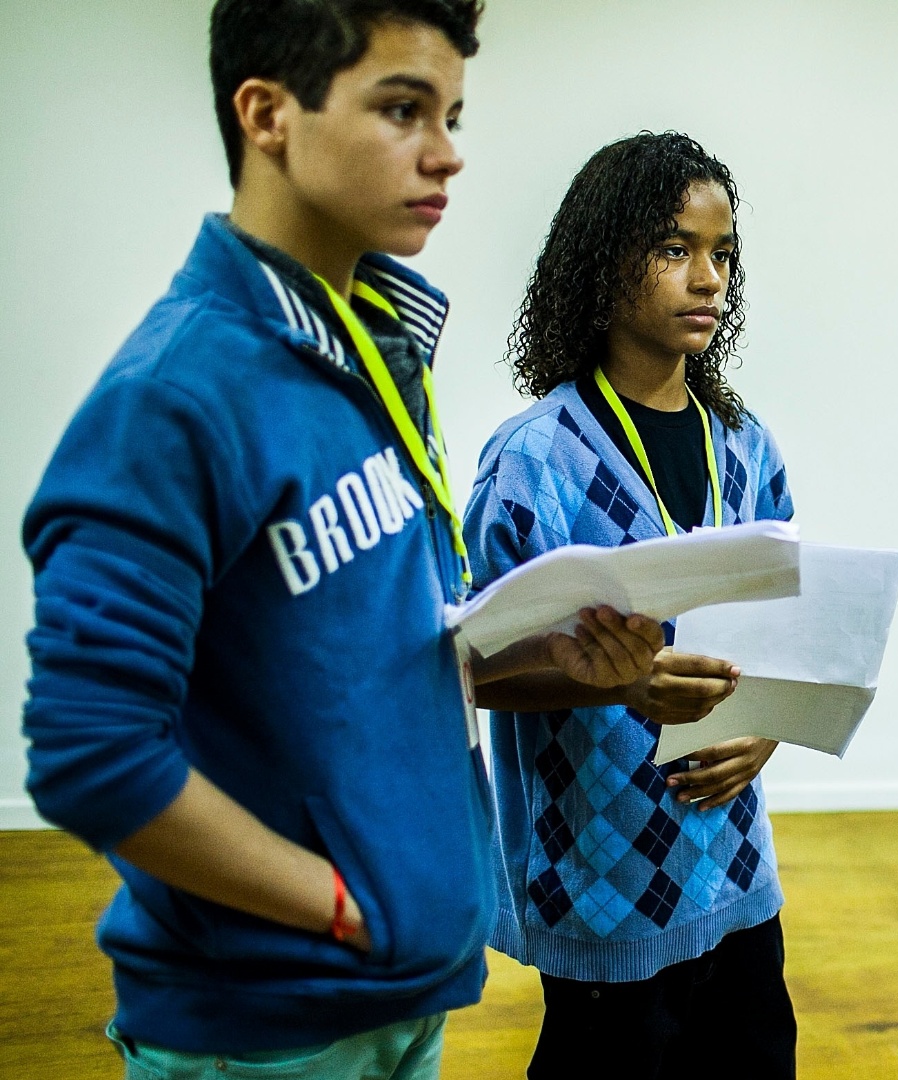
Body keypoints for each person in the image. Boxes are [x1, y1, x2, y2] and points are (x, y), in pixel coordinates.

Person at [20, 2, 657, 1076]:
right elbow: (90, 754)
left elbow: (380, 651)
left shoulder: (369, 348)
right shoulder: (174, 397)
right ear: (268, 114)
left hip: (403, 995)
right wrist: (340, 908)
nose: (448, 153)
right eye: (403, 109)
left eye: (452, 112)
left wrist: (553, 659)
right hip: (271, 1026)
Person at [466, 132, 799, 1080]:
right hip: (602, 877)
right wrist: (621, 683)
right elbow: (468, 664)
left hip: (736, 871)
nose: (709, 279)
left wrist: (766, 727)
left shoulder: (746, 445)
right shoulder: (534, 458)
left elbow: (787, 630)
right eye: (674, 249)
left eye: (722, 253)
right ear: (605, 265)